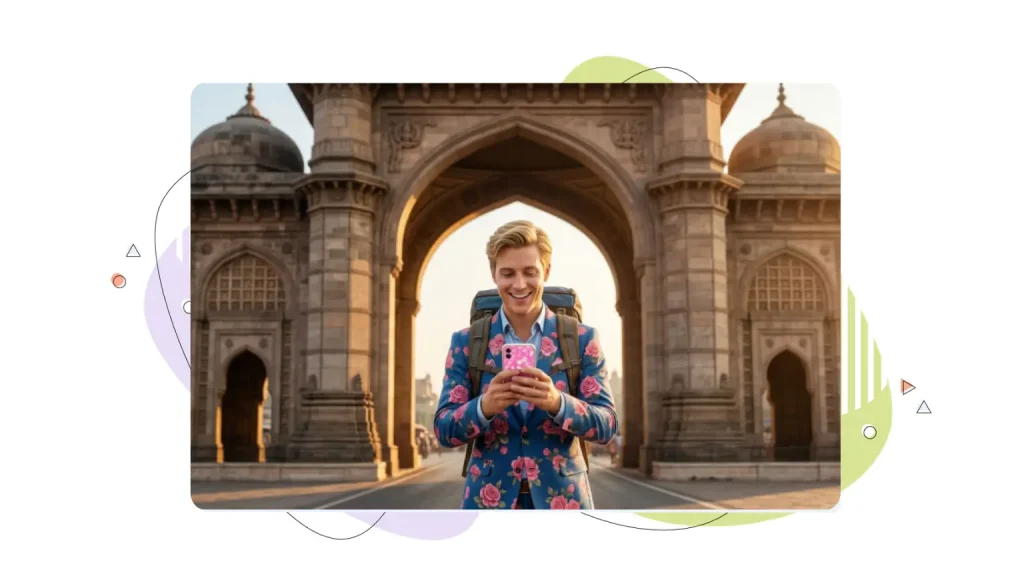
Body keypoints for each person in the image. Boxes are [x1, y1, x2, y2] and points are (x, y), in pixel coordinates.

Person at [433, 220, 619, 509]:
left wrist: (558, 403)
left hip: (563, 502)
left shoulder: (581, 339)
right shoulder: (467, 343)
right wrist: (485, 406)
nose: (519, 284)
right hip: (487, 502)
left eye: (530, 272)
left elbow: (606, 426)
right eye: (508, 273)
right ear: (494, 274)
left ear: (546, 271)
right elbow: (444, 430)